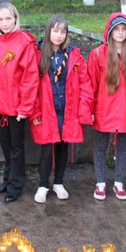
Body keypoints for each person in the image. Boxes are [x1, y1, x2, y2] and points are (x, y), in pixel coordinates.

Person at [0, 3, 40, 203]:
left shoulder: (24, 42)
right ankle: (8, 178)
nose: (4, 23)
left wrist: (25, 107)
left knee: (16, 147)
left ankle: (16, 184)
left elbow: (30, 77)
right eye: (0, 19)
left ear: (15, 19)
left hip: (15, 105)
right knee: (5, 145)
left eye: (8, 18)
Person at [30, 16, 93, 203]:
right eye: (55, 31)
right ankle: (43, 184)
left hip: (67, 109)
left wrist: (83, 109)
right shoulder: (38, 54)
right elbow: (31, 84)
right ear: (49, 31)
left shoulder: (74, 55)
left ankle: (58, 182)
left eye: (62, 32)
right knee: (47, 148)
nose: (58, 35)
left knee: (63, 146)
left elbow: (85, 83)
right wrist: (34, 111)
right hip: (46, 109)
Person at [88, 12, 126, 201]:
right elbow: (91, 85)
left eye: (124, 29)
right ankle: (100, 182)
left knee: (122, 146)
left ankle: (119, 182)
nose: (120, 33)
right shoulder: (98, 54)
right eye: (117, 29)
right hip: (103, 108)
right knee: (100, 145)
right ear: (110, 31)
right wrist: (90, 110)